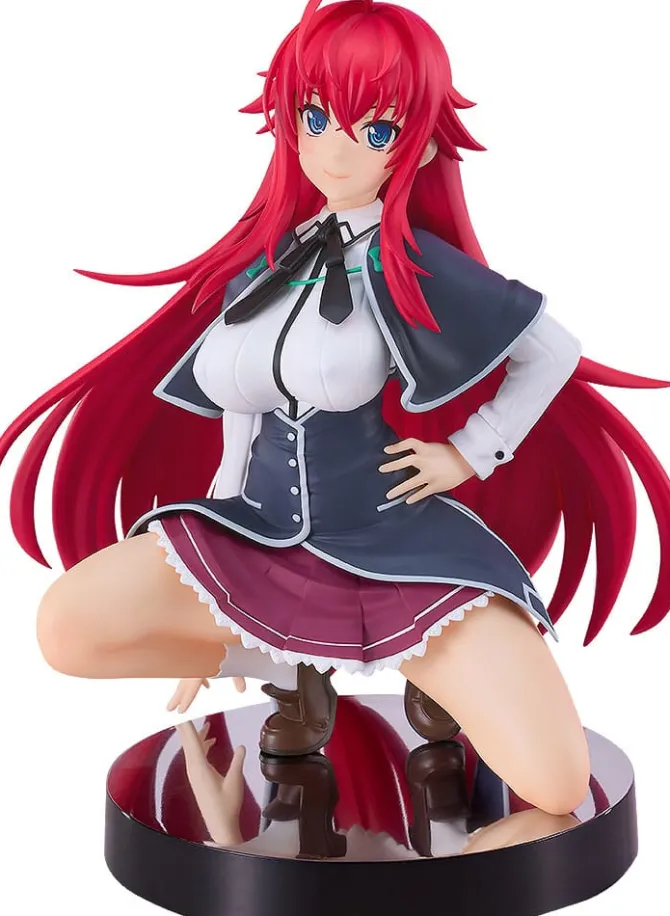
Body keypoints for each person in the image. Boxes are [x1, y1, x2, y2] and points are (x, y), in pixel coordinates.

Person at [2, 0, 669, 818]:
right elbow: (239, 415)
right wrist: (215, 610)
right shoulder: (264, 268)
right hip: (257, 530)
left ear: (420, 145)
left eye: (374, 129)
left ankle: (426, 681)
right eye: (314, 118)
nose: (334, 149)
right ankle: (290, 669)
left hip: (389, 543)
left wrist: (471, 450)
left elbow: (550, 350)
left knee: (557, 786)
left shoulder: (410, 265)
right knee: (65, 630)